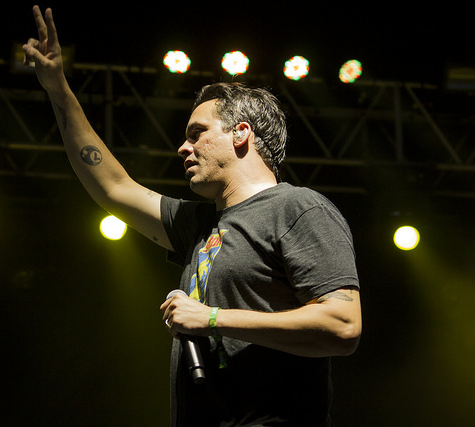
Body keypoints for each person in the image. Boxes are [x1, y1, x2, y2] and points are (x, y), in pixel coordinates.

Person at [23, 6, 362, 426]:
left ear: (241, 133)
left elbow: (343, 324)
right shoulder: (199, 224)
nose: (183, 148)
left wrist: (212, 318)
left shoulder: (297, 208)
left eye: (196, 133)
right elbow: (113, 186)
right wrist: (58, 88)